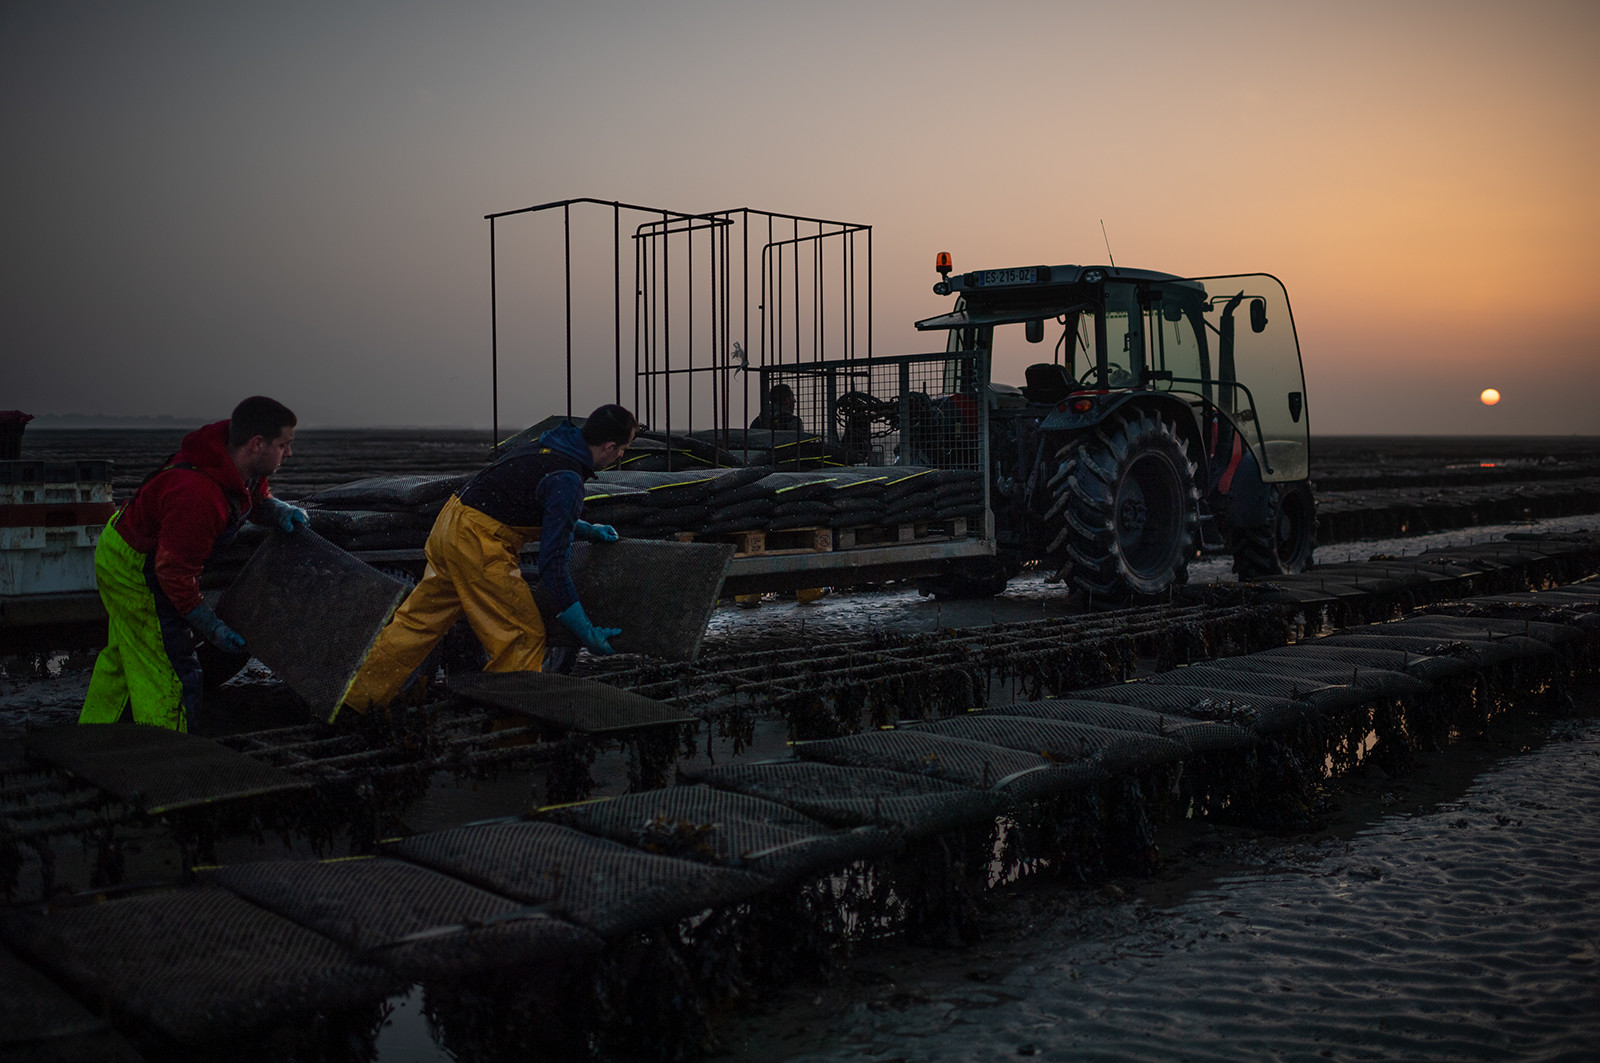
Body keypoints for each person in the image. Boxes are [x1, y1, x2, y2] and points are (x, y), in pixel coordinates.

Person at [344, 404, 637, 711]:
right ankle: (513, 724)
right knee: (521, 637)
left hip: (451, 526)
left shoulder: (547, 446)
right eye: (623, 450)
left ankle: (356, 700)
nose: (621, 456)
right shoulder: (567, 479)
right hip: (478, 544)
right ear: (609, 447)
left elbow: (524, 500)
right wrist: (586, 631)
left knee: (417, 624)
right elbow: (553, 565)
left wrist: (586, 528)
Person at [79, 396, 305, 732]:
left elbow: (254, 496)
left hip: (131, 543)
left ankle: (96, 736)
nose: (289, 453)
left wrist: (276, 509)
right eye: (283, 445)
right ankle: (169, 751)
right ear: (257, 444)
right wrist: (211, 627)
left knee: (128, 656)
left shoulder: (239, 464)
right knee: (170, 670)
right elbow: (173, 573)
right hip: (134, 566)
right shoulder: (197, 495)